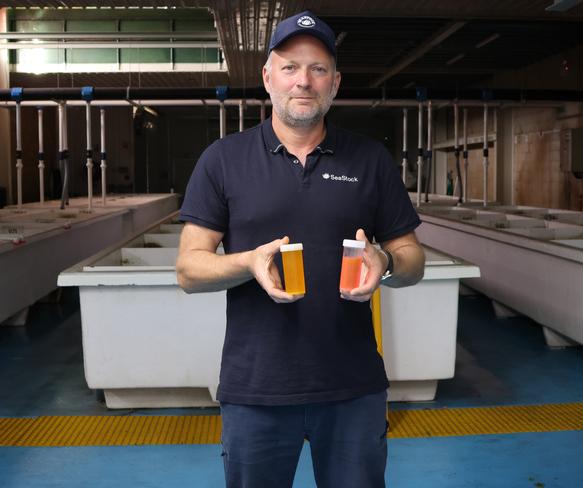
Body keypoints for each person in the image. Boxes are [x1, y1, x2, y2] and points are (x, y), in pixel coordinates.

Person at [176, 10, 425, 488]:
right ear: (268, 78)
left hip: (352, 387)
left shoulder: (370, 160)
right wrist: (249, 262)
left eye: (317, 69)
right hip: (256, 391)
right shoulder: (223, 160)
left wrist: (387, 261)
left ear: (335, 82)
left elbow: (413, 259)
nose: (303, 81)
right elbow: (188, 269)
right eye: (290, 67)